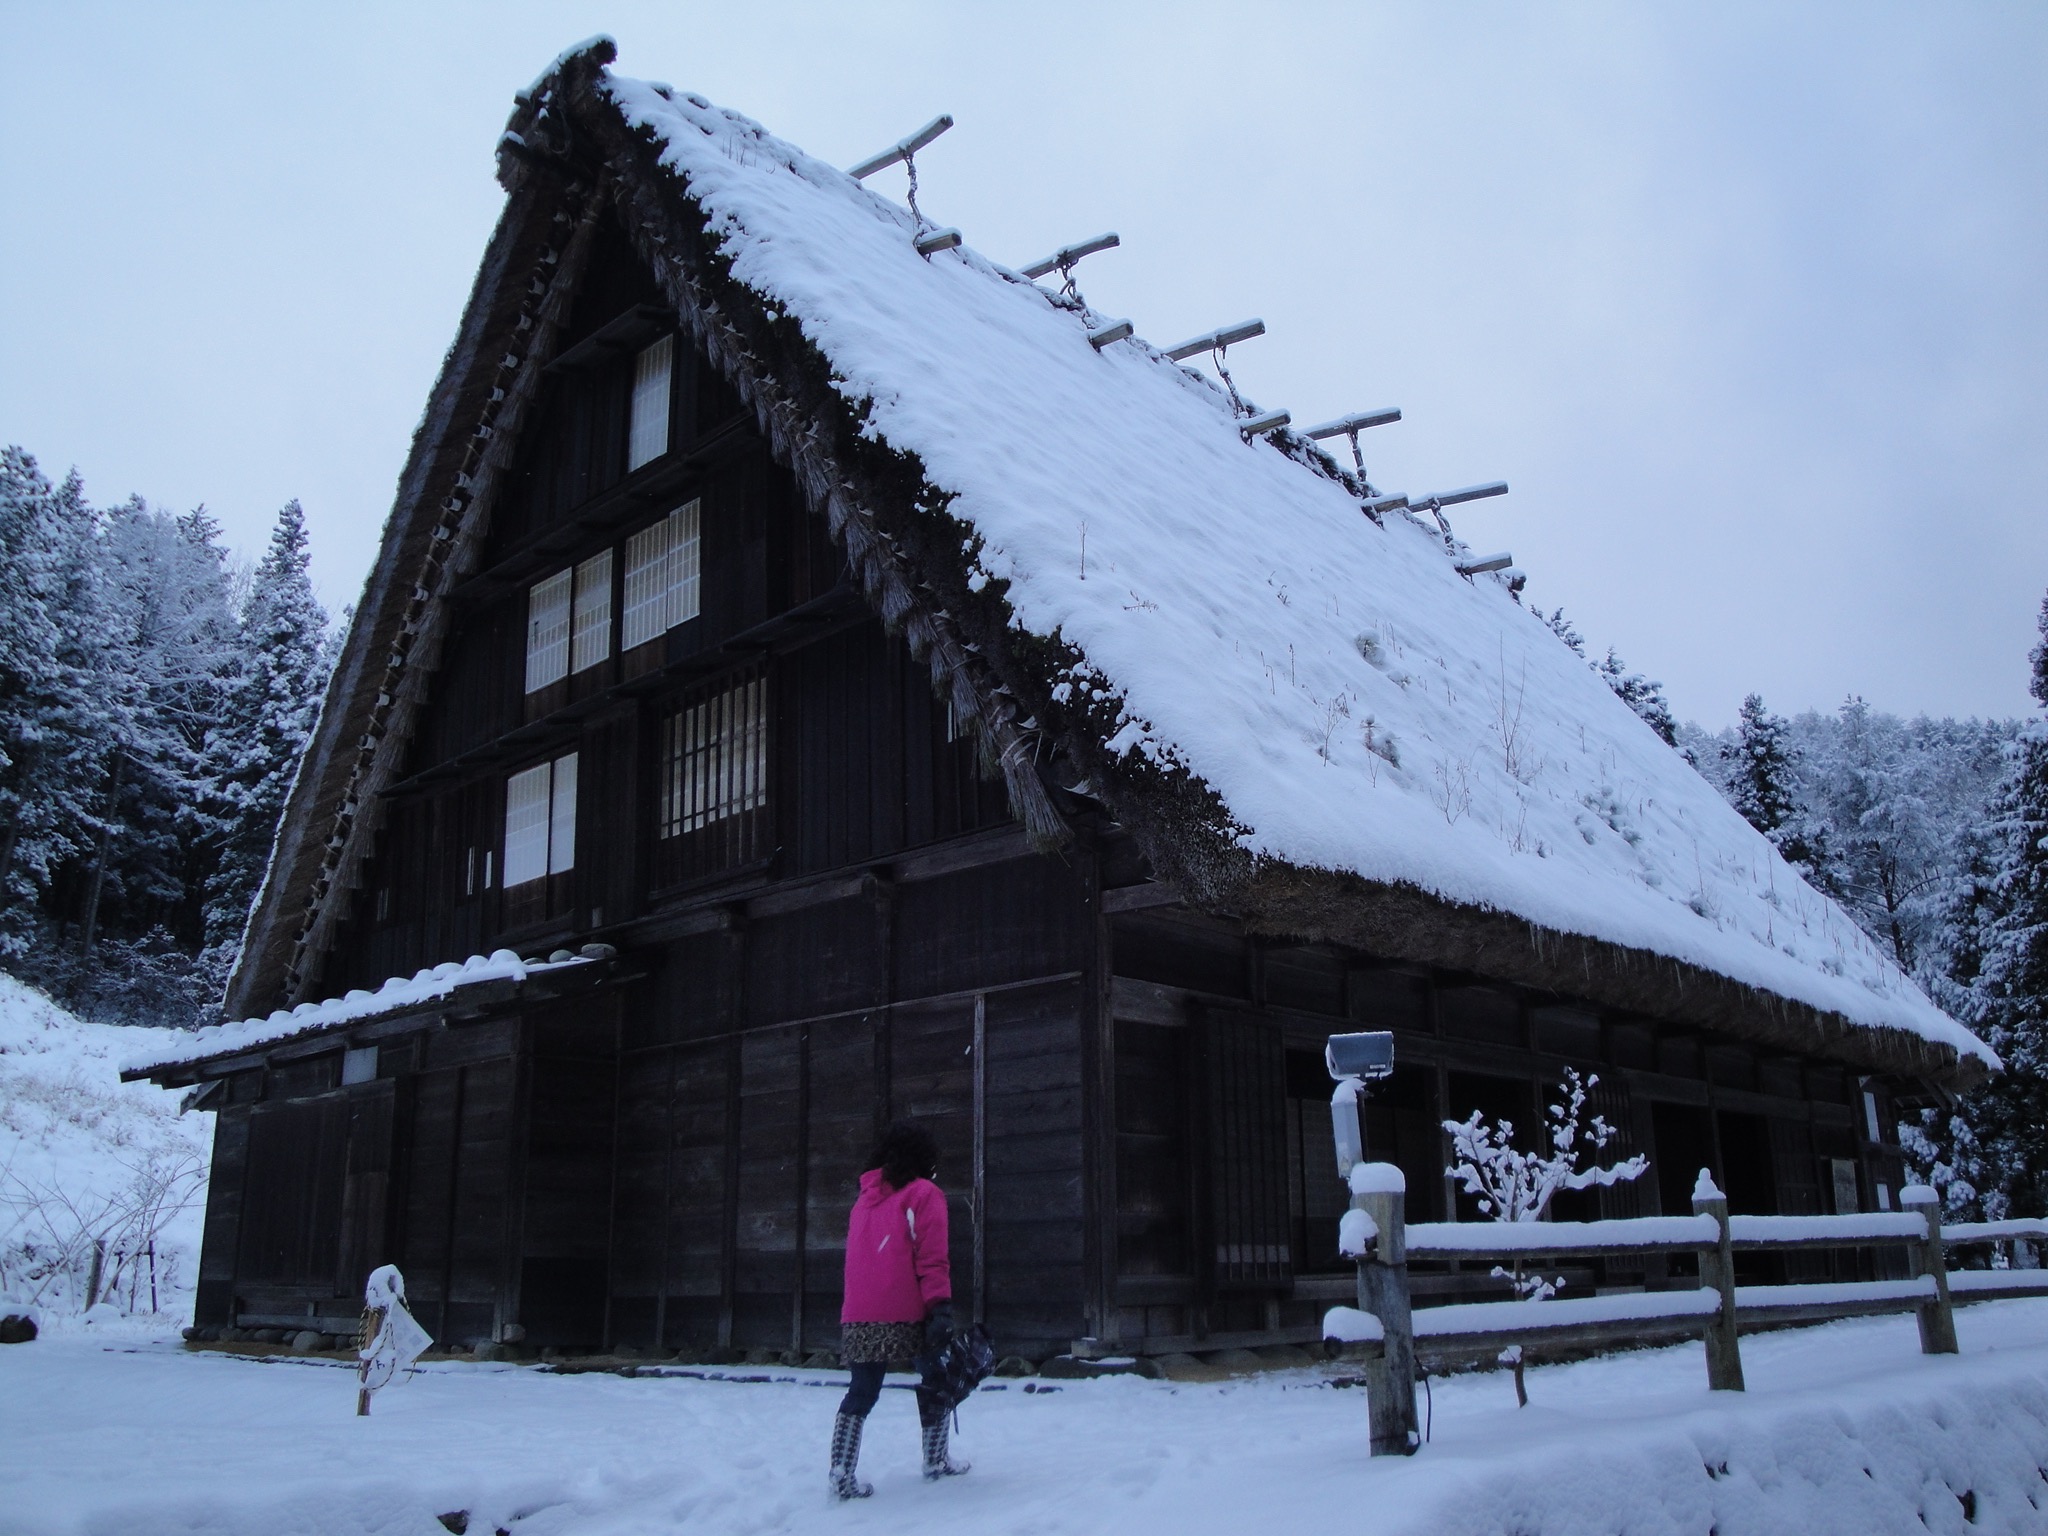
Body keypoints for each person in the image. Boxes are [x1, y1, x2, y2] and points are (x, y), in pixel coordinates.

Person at [829, 1121, 970, 1499]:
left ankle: (841, 1474)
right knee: (936, 1379)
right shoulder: (924, 1194)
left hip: (858, 1313)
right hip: (907, 1309)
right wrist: (940, 1307)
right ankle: (936, 1459)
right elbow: (932, 1258)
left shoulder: (863, 1200)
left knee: (861, 1391)